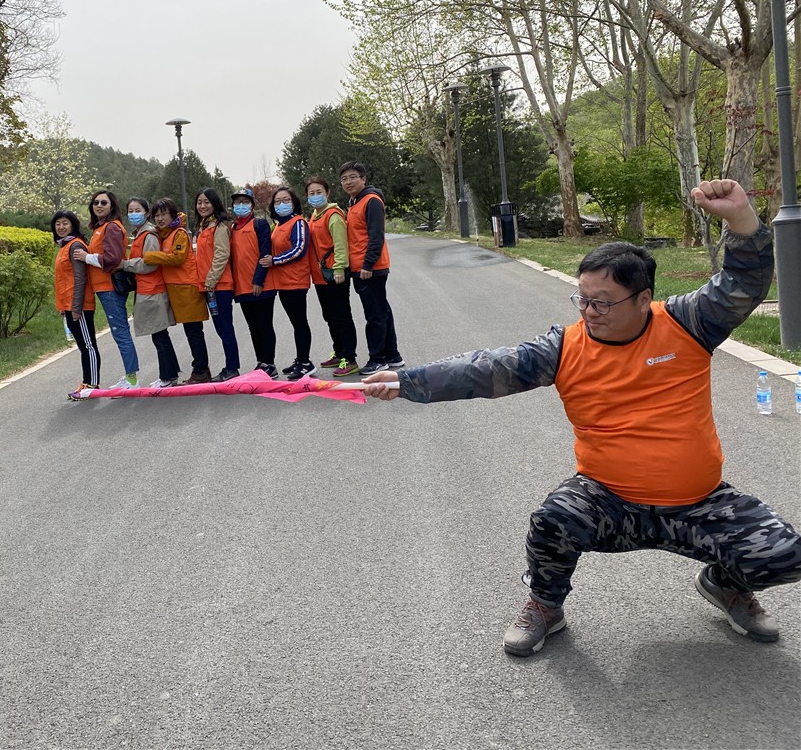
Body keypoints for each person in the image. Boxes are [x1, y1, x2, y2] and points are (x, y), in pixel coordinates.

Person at [363, 179, 801, 657]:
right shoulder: (564, 347)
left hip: (699, 503)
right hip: (608, 501)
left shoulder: (689, 322)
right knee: (553, 520)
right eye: (583, 299)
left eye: (603, 302)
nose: (589, 312)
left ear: (643, 299)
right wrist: (407, 381)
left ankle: (724, 584)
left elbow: (744, 284)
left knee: (786, 554)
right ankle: (546, 606)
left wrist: (740, 219)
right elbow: (485, 369)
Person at [340, 161, 404, 374]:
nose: (348, 182)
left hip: (370, 268)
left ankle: (378, 359)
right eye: (344, 179)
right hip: (363, 267)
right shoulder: (354, 202)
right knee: (382, 310)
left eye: (353, 177)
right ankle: (392, 355)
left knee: (374, 315)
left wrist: (367, 264)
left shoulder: (371, 201)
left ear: (363, 179)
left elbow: (376, 236)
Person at [74, 188, 139, 389]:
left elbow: (113, 259)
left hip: (110, 286)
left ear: (112, 206)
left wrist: (87, 257)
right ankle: (130, 376)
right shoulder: (100, 228)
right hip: (103, 287)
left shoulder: (111, 227)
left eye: (104, 202)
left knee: (120, 331)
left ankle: (132, 379)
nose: (99, 206)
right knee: (119, 331)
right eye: (96, 203)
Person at [142, 198, 212, 384]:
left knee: (194, 332)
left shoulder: (179, 233)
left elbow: (177, 258)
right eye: (156, 215)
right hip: (176, 290)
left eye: (164, 214)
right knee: (191, 332)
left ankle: (201, 371)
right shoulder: (164, 234)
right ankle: (201, 370)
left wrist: (150, 257)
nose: (160, 218)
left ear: (172, 215)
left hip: (187, 289)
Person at [118, 197, 179, 388]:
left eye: (138, 210)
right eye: (130, 211)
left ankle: (167, 377)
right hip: (147, 290)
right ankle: (170, 374)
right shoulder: (140, 234)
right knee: (159, 335)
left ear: (146, 213)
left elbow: (150, 264)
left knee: (159, 335)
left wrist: (126, 265)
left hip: (153, 291)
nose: (133, 214)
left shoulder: (149, 235)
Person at [305, 176, 358, 377]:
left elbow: (341, 245)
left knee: (341, 316)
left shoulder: (333, 216)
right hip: (321, 277)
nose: (315, 196)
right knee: (330, 317)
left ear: (327, 193)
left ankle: (349, 359)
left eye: (319, 192)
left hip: (335, 275)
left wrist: (339, 268)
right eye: (311, 193)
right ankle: (339, 352)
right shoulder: (314, 215)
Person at [260, 185, 314, 380]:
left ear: (293, 202)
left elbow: (299, 249)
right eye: (277, 201)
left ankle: (305, 363)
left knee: (300, 322)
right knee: (296, 322)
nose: (281, 204)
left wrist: (274, 260)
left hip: (295, 281)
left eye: (286, 200)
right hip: (282, 282)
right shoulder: (278, 225)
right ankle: (300, 359)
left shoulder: (298, 223)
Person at [229, 186, 278, 378]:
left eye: (244, 202)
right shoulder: (232, 229)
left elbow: (265, 252)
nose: (240, 205)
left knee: (264, 325)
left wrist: (258, 280)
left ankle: (270, 363)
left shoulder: (259, 224)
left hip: (262, 286)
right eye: (237, 202)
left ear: (252, 205)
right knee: (253, 327)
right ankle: (261, 362)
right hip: (242, 287)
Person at [194, 188, 241, 382]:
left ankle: (232, 368)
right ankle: (231, 366)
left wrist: (211, 280)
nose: (202, 206)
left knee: (225, 328)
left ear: (214, 203)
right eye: (199, 202)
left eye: (206, 202)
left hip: (219, 286)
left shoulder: (220, 226)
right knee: (222, 329)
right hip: (210, 287)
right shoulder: (204, 226)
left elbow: (222, 254)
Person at [52, 210, 99, 400]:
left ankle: (92, 385)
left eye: (65, 223)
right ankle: (87, 383)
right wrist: (64, 307)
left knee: (88, 345)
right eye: (58, 224)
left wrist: (76, 308)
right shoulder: (64, 246)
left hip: (79, 306)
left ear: (73, 225)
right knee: (82, 346)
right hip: (69, 305)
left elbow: (80, 278)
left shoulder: (75, 245)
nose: (61, 227)